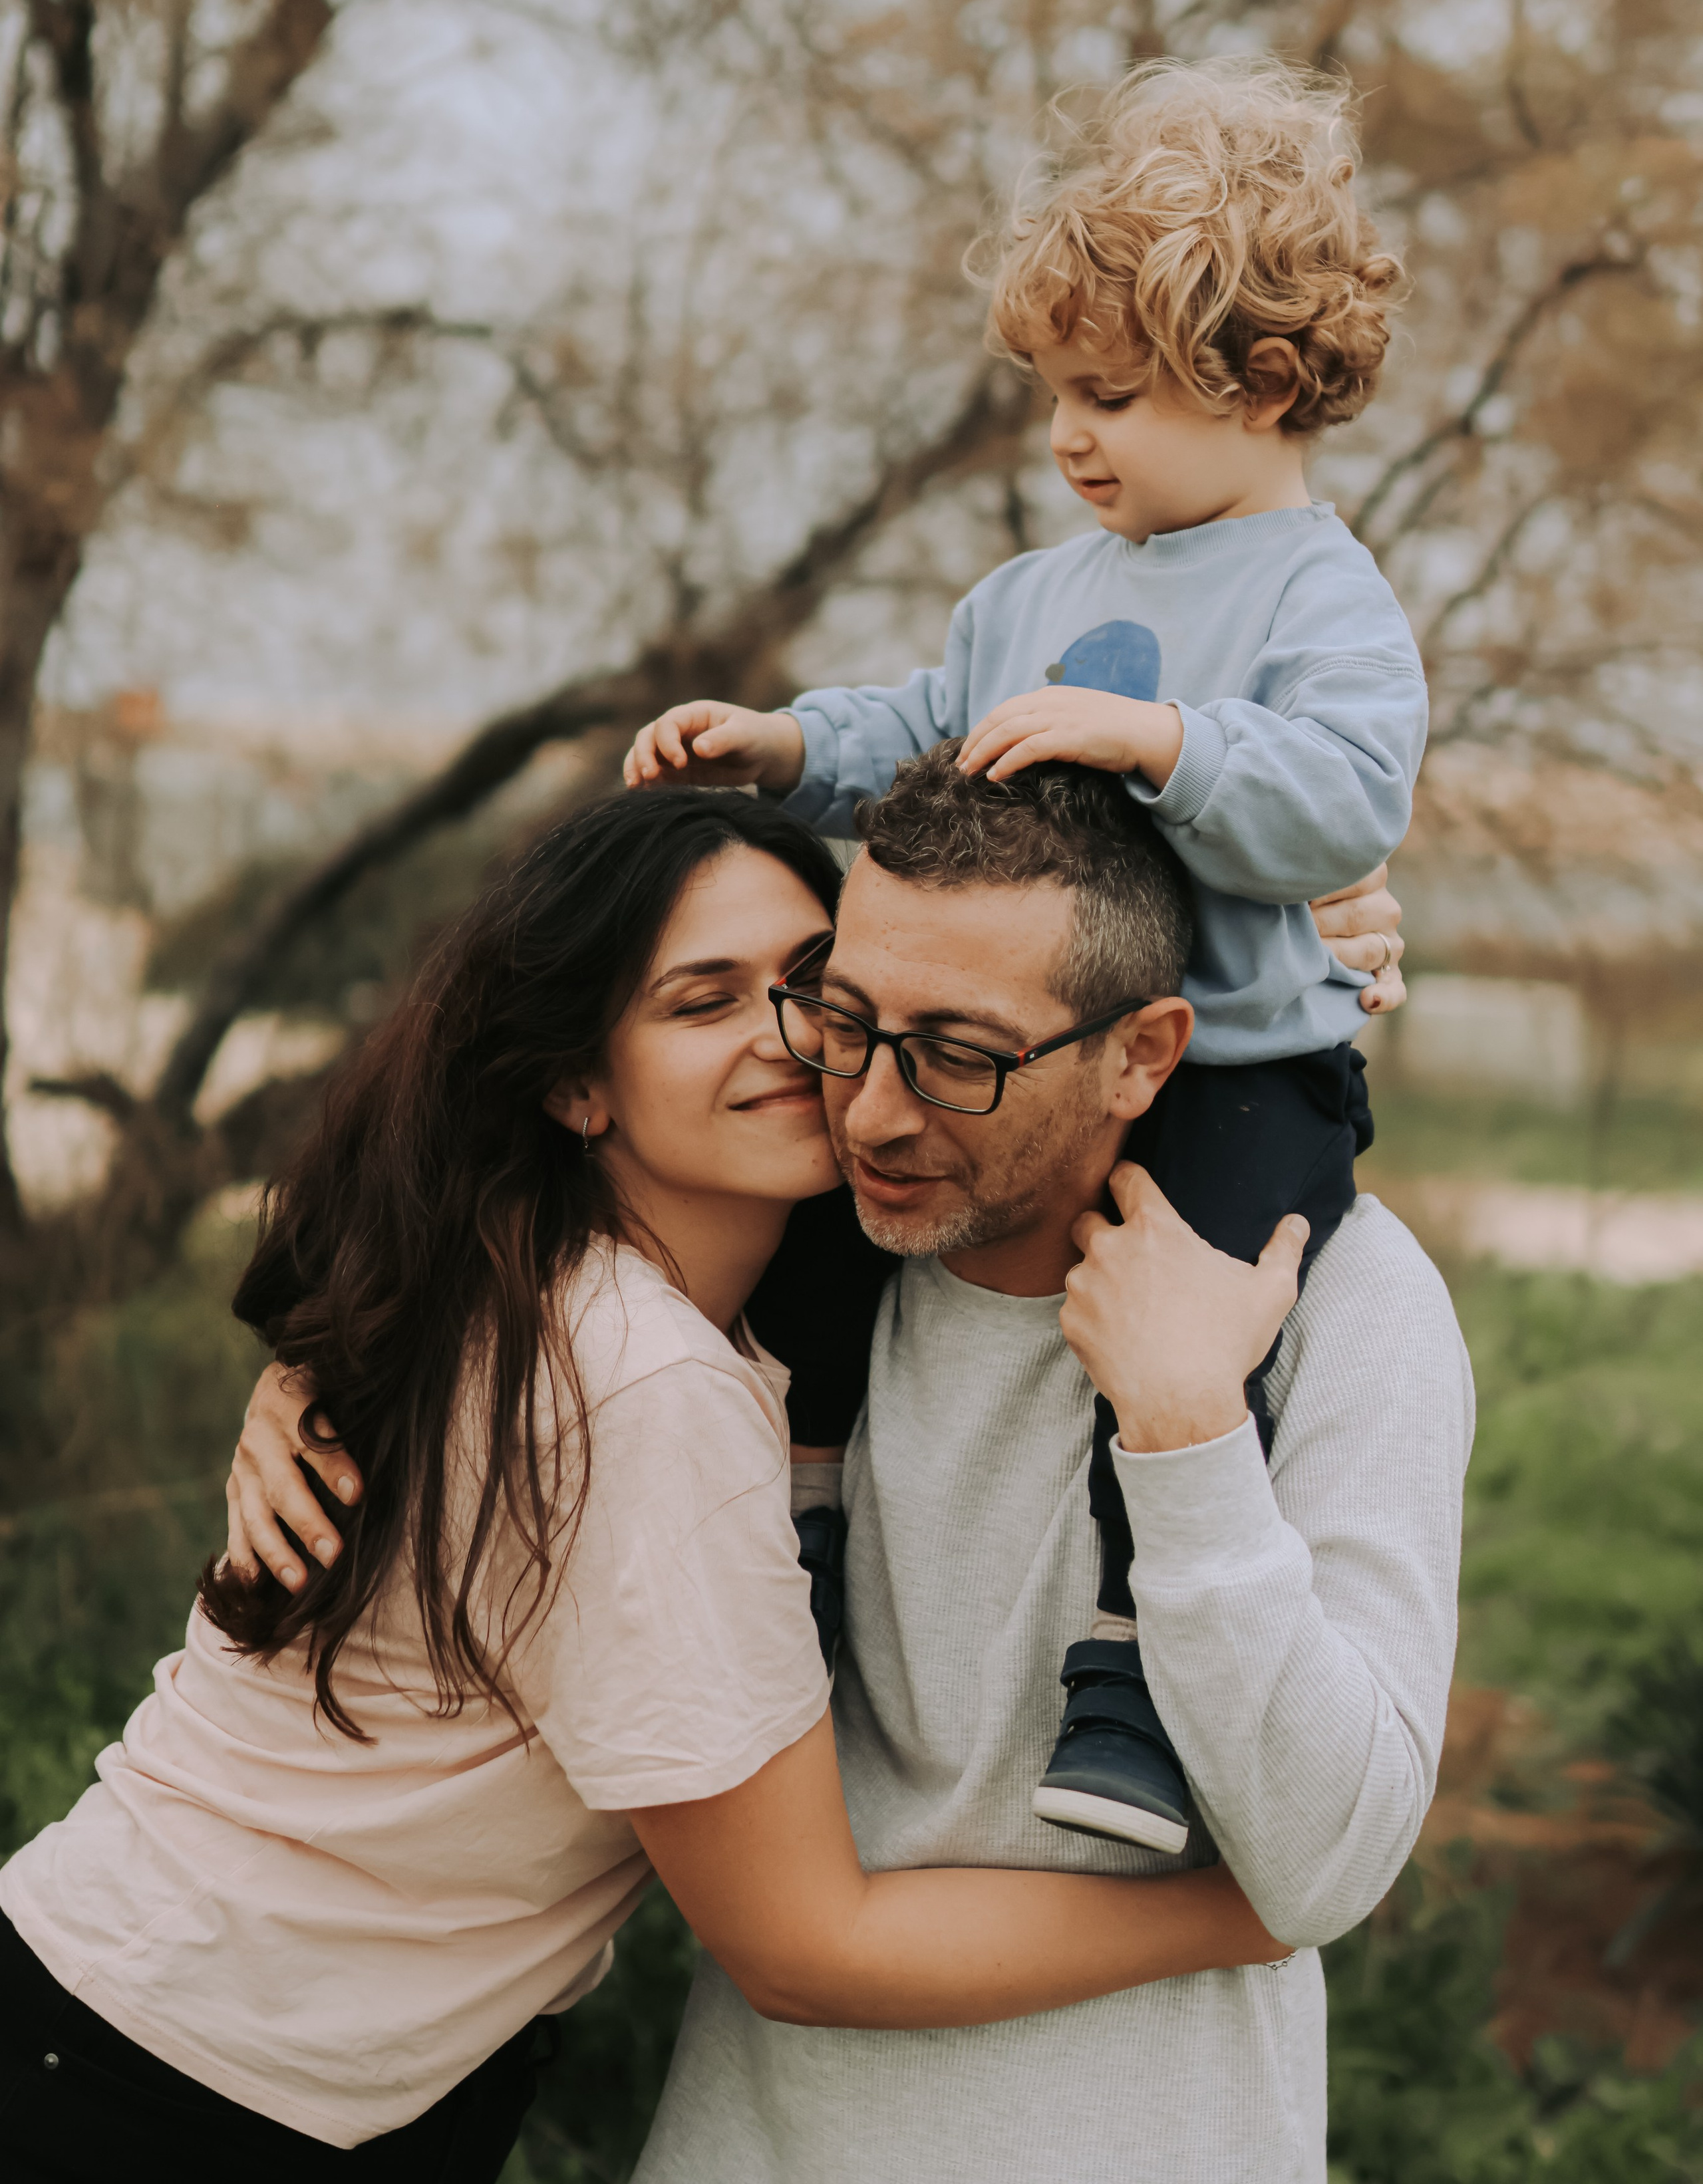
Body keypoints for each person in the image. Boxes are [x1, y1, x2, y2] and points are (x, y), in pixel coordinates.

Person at [0, 786, 1287, 2184]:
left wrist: (1304, 918)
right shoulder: (640, 1381)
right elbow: (803, 1947)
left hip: (170, 2031)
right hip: (174, 2089)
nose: (787, 1042)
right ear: (576, 1083)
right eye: (700, 1002)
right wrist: (1248, 1911)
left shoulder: (531, 1283)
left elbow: (1031, 961)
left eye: (812, 986)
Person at [624, 56, 1426, 1848]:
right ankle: (810, 1518)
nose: (1073, 436)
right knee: (830, 1231)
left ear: (1268, 383)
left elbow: (1349, 801)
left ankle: (1133, 1666)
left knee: (1185, 1335)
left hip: (1235, 1067)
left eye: (1116, 396)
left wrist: (1168, 751)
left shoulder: (1318, 599)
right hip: (1013, 1057)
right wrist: (780, 743)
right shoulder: (1035, 595)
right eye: (1060, 393)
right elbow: (924, 721)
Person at [625, 752, 1471, 2184]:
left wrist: (1189, 1436)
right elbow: (485, 1242)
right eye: (847, 1022)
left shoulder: (1339, 1302)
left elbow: (1328, 1864)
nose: (875, 1113)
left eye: (959, 1054)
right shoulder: (783, 1243)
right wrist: (314, 1376)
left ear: (1143, 1051)